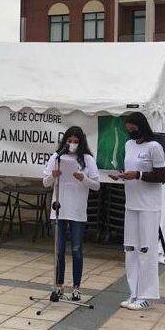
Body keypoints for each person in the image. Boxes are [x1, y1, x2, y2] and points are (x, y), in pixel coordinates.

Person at [112, 112, 165, 311]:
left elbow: (162, 176)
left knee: (147, 250)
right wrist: (123, 176)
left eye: (133, 129)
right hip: (131, 204)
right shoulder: (128, 146)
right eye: (128, 130)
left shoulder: (154, 147)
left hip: (149, 206)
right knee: (131, 250)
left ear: (141, 126)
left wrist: (139, 174)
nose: (131, 133)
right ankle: (133, 292)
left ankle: (147, 295)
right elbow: (130, 168)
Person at [42, 126, 100, 302]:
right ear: (65, 141)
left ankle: (76, 288)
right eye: (69, 141)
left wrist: (84, 179)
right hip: (59, 209)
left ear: (81, 142)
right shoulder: (57, 157)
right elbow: (45, 183)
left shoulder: (87, 159)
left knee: (76, 250)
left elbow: (97, 185)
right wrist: (53, 176)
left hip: (77, 210)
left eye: (75, 141)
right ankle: (58, 286)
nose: (72, 144)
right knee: (58, 251)